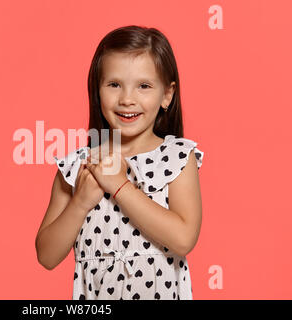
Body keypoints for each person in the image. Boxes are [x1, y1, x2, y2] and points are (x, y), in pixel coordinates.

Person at [35, 25, 204, 300]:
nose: (127, 99)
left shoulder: (177, 159)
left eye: (144, 86)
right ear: (97, 90)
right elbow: (47, 255)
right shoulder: (79, 166)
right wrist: (79, 202)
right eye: (114, 85)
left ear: (167, 95)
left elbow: (183, 239)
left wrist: (120, 186)